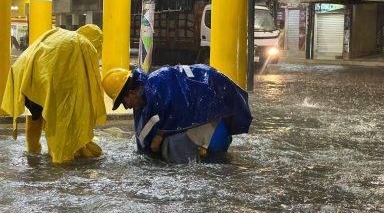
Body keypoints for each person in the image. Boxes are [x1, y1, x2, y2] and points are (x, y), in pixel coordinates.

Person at [102, 64, 252, 164]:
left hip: (213, 129)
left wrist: (160, 135)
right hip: (212, 126)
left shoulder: (158, 88)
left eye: (123, 102)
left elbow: (179, 111)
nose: (125, 107)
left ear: (131, 93)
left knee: (172, 144)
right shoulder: (149, 93)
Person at [1, 24, 106, 163]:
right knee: (58, 118)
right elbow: (90, 82)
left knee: (35, 112)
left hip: (25, 74)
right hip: (47, 80)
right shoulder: (85, 45)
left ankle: (32, 151)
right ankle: (59, 160)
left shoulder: (59, 33)